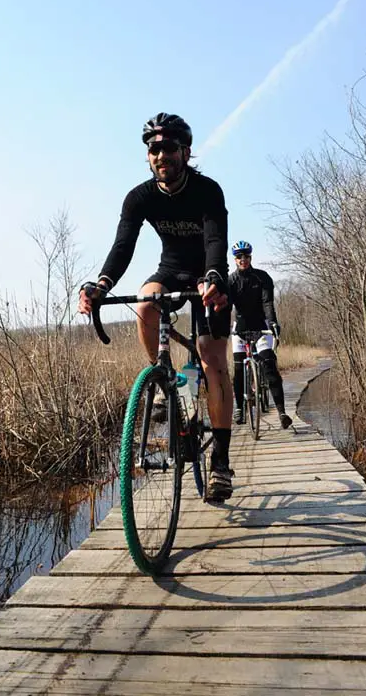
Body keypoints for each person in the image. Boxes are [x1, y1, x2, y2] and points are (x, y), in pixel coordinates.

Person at [78, 112, 236, 502]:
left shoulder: (207, 191)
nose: (160, 155)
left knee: (210, 358)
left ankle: (220, 461)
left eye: (168, 148)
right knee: (147, 301)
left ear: (185, 151)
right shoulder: (140, 197)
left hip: (207, 273)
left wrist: (214, 276)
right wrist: (101, 285)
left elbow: (216, 239)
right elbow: (123, 246)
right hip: (170, 270)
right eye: (153, 149)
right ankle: (164, 382)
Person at [227, 240, 294, 430]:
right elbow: (227, 307)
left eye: (246, 256)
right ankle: (239, 408)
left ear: (250, 257)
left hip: (261, 327)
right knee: (238, 368)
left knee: (269, 364)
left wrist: (272, 322)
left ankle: (281, 412)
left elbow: (267, 303)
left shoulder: (262, 278)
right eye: (239, 257)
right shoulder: (230, 281)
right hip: (239, 328)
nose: (243, 260)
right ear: (235, 260)